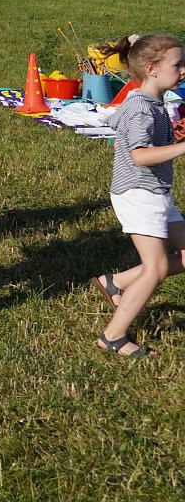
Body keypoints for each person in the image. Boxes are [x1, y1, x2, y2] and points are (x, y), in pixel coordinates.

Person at [91, 34, 185, 358]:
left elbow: (120, 127)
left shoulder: (149, 102)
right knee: (156, 268)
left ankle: (115, 283)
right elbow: (139, 156)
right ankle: (113, 336)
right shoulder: (142, 107)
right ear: (152, 69)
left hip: (157, 193)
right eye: (178, 64)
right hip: (139, 194)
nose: (184, 70)